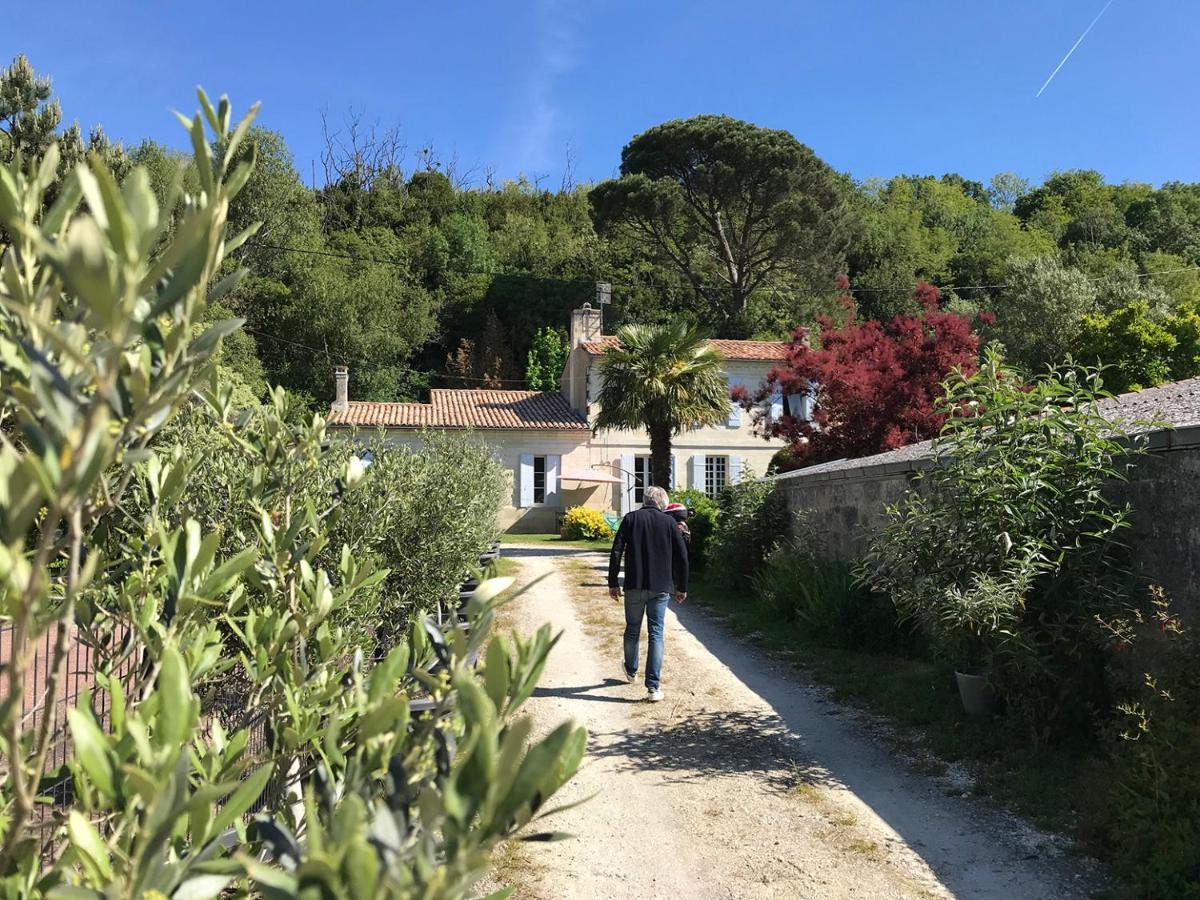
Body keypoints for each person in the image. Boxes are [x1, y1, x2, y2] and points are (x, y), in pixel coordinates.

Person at [607, 485, 689, 702]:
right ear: (663, 502)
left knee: (632, 629)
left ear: (644, 500)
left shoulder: (630, 519)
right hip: (661, 587)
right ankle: (653, 687)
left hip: (634, 584)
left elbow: (616, 551)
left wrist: (613, 581)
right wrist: (682, 587)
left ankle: (631, 669)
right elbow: (682, 557)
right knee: (656, 634)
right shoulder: (670, 523)